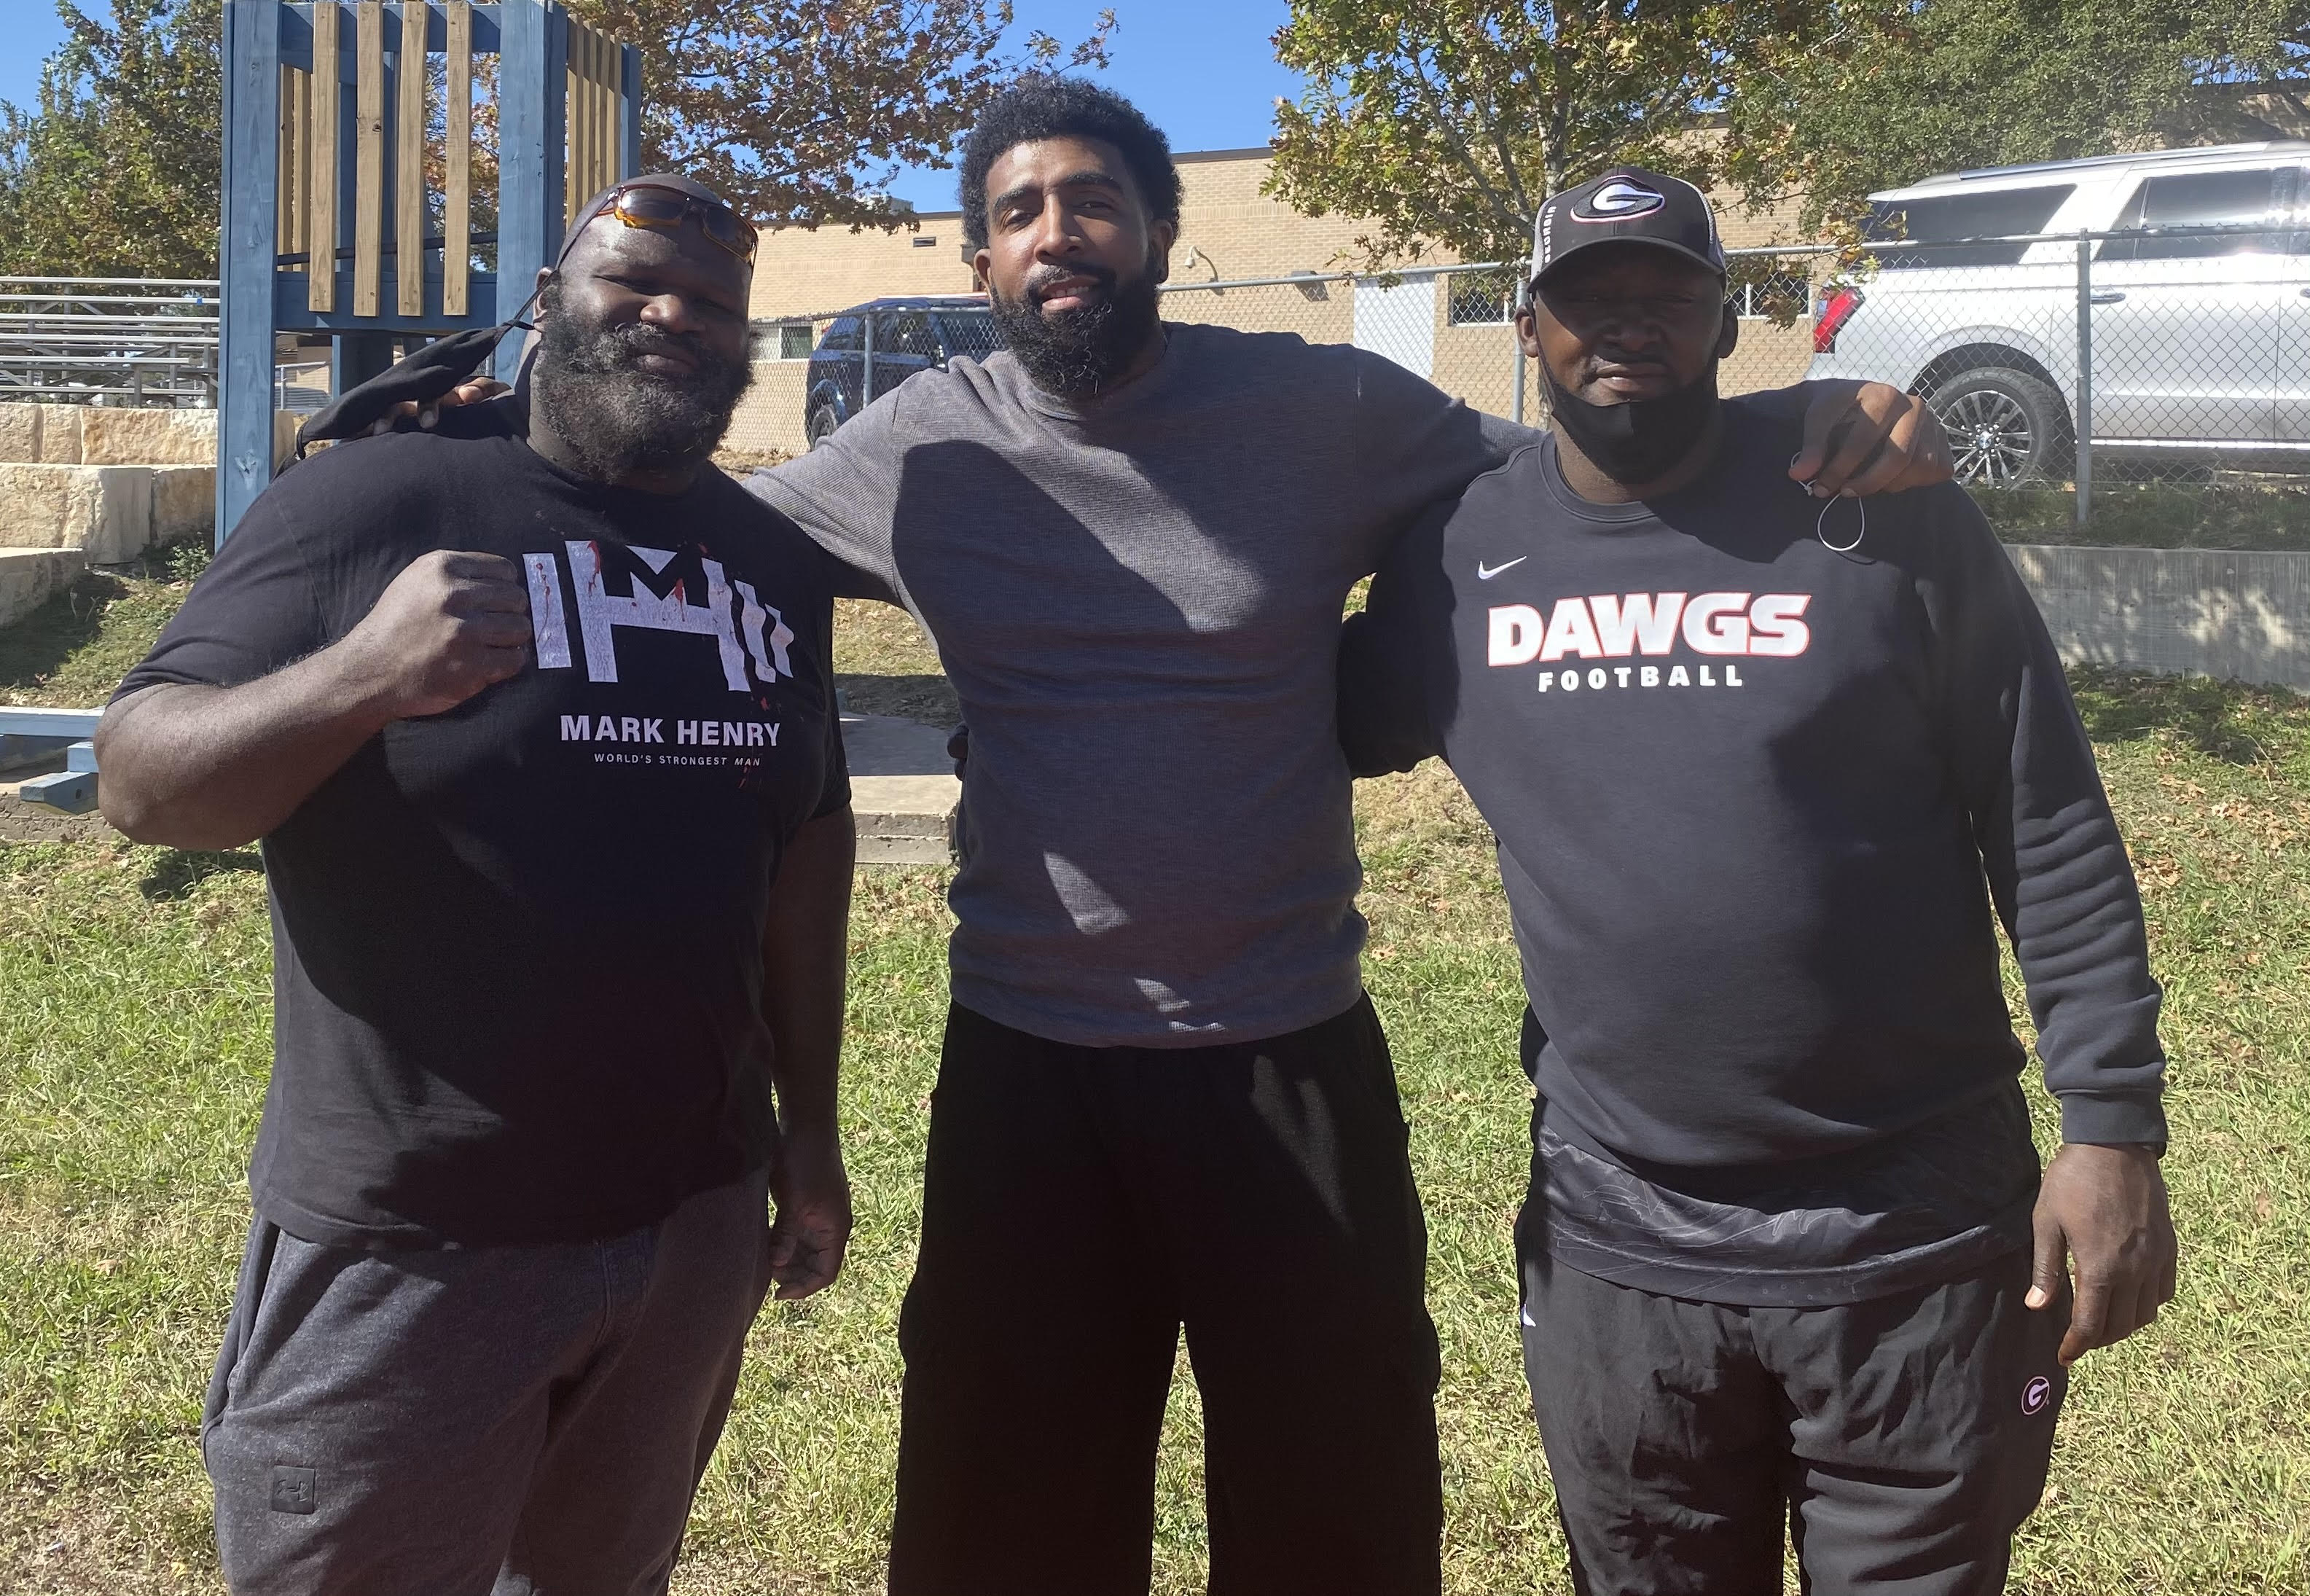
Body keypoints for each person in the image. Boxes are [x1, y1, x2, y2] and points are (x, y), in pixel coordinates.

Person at [364, 81, 1950, 1592]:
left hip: (1289, 1055)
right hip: (1027, 1067)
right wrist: (465, 450)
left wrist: (1808, 416)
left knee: (1336, 1505)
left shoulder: (1322, 406)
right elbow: (684, 519)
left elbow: (1588, 469)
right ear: (979, 261)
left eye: (1095, 203)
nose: (1057, 233)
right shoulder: (919, 445)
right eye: (1018, 212)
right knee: (1003, 1517)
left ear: (1160, 238)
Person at [1337, 167, 2177, 1595]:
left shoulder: (1876, 504)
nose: (1627, 322)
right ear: (1528, 327)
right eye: (1587, 296)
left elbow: (2043, 816)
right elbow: (1301, 717)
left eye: (1666, 292)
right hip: (1620, 1240)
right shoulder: (1459, 555)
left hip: (1913, 1228)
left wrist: (2110, 1129)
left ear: (1728, 323)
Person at [95, 175, 856, 1596]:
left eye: (712, 302)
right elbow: (142, 781)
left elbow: (807, 850)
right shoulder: (375, 499)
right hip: (419, 1240)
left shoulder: (773, 563)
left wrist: (806, 1131)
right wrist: (362, 675)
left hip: (692, 1222)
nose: (673, 315)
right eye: (633, 282)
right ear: (547, 305)